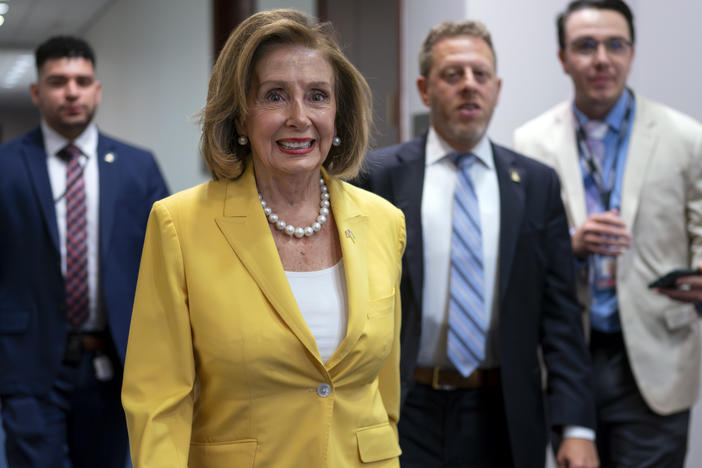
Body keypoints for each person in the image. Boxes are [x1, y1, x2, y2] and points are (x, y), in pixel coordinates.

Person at [121, 9, 406, 468]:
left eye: (317, 96)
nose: (299, 117)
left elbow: (384, 395)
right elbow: (157, 404)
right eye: (275, 96)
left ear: (338, 113)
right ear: (239, 117)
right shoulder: (179, 225)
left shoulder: (384, 221)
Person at [358, 19, 598, 468]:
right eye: (453, 75)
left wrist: (576, 427)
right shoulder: (378, 177)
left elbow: (561, 315)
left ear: (497, 87)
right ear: (425, 89)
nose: (469, 86)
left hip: (504, 413)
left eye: (480, 75)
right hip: (403, 408)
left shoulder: (537, 184)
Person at [514, 1, 702, 466]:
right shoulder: (530, 143)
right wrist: (571, 243)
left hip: (658, 353)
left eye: (615, 44)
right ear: (563, 58)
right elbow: (522, 252)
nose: (602, 58)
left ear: (632, 52)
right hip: (566, 357)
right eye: (585, 46)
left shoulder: (685, 136)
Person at [0, 36, 168, 467]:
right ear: (37, 92)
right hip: (29, 366)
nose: (71, 91)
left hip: (114, 363)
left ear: (97, 89)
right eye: (58, 81)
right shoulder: (6, 167)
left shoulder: (137, 167)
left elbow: (166, 265)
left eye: (82, 80)